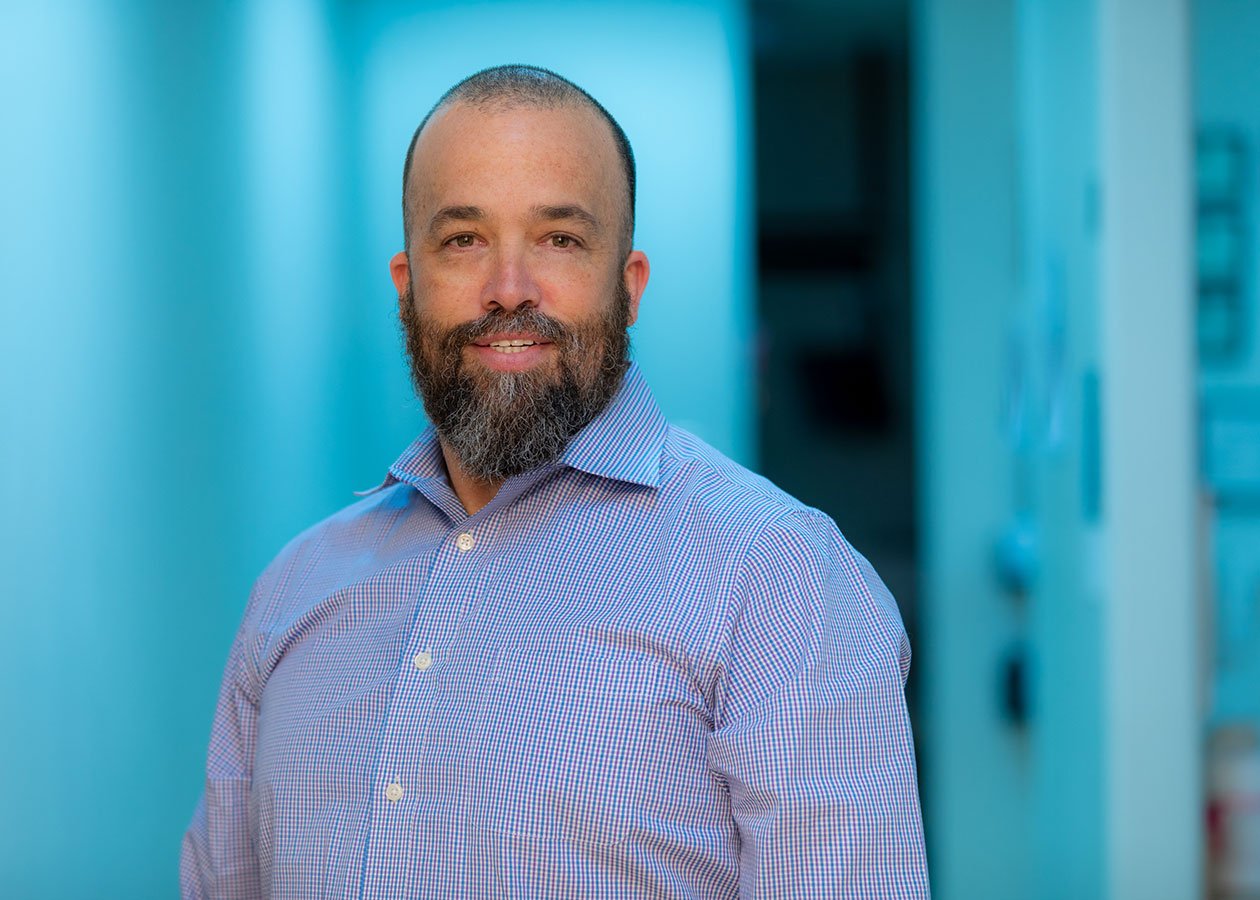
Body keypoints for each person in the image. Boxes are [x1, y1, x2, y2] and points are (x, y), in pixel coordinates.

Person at [181, 64, 929, 898]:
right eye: (463, 239)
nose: (509, 291)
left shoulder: (777, 577)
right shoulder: (294, 591)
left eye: (560, 240)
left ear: (629, 285)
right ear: (407, 287)